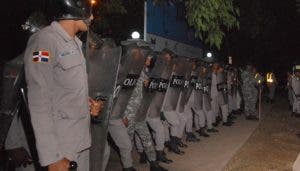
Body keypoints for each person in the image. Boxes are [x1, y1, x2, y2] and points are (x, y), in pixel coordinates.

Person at [23, 0, 102, 170]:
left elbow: (63, 88)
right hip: (62, 147)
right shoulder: (44, 41)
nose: (92, 16)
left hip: (80, 141)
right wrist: (51, 157)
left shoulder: (75, 43)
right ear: (76, 8)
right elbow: (39, 102)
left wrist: (87, 103)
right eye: (90, 11)